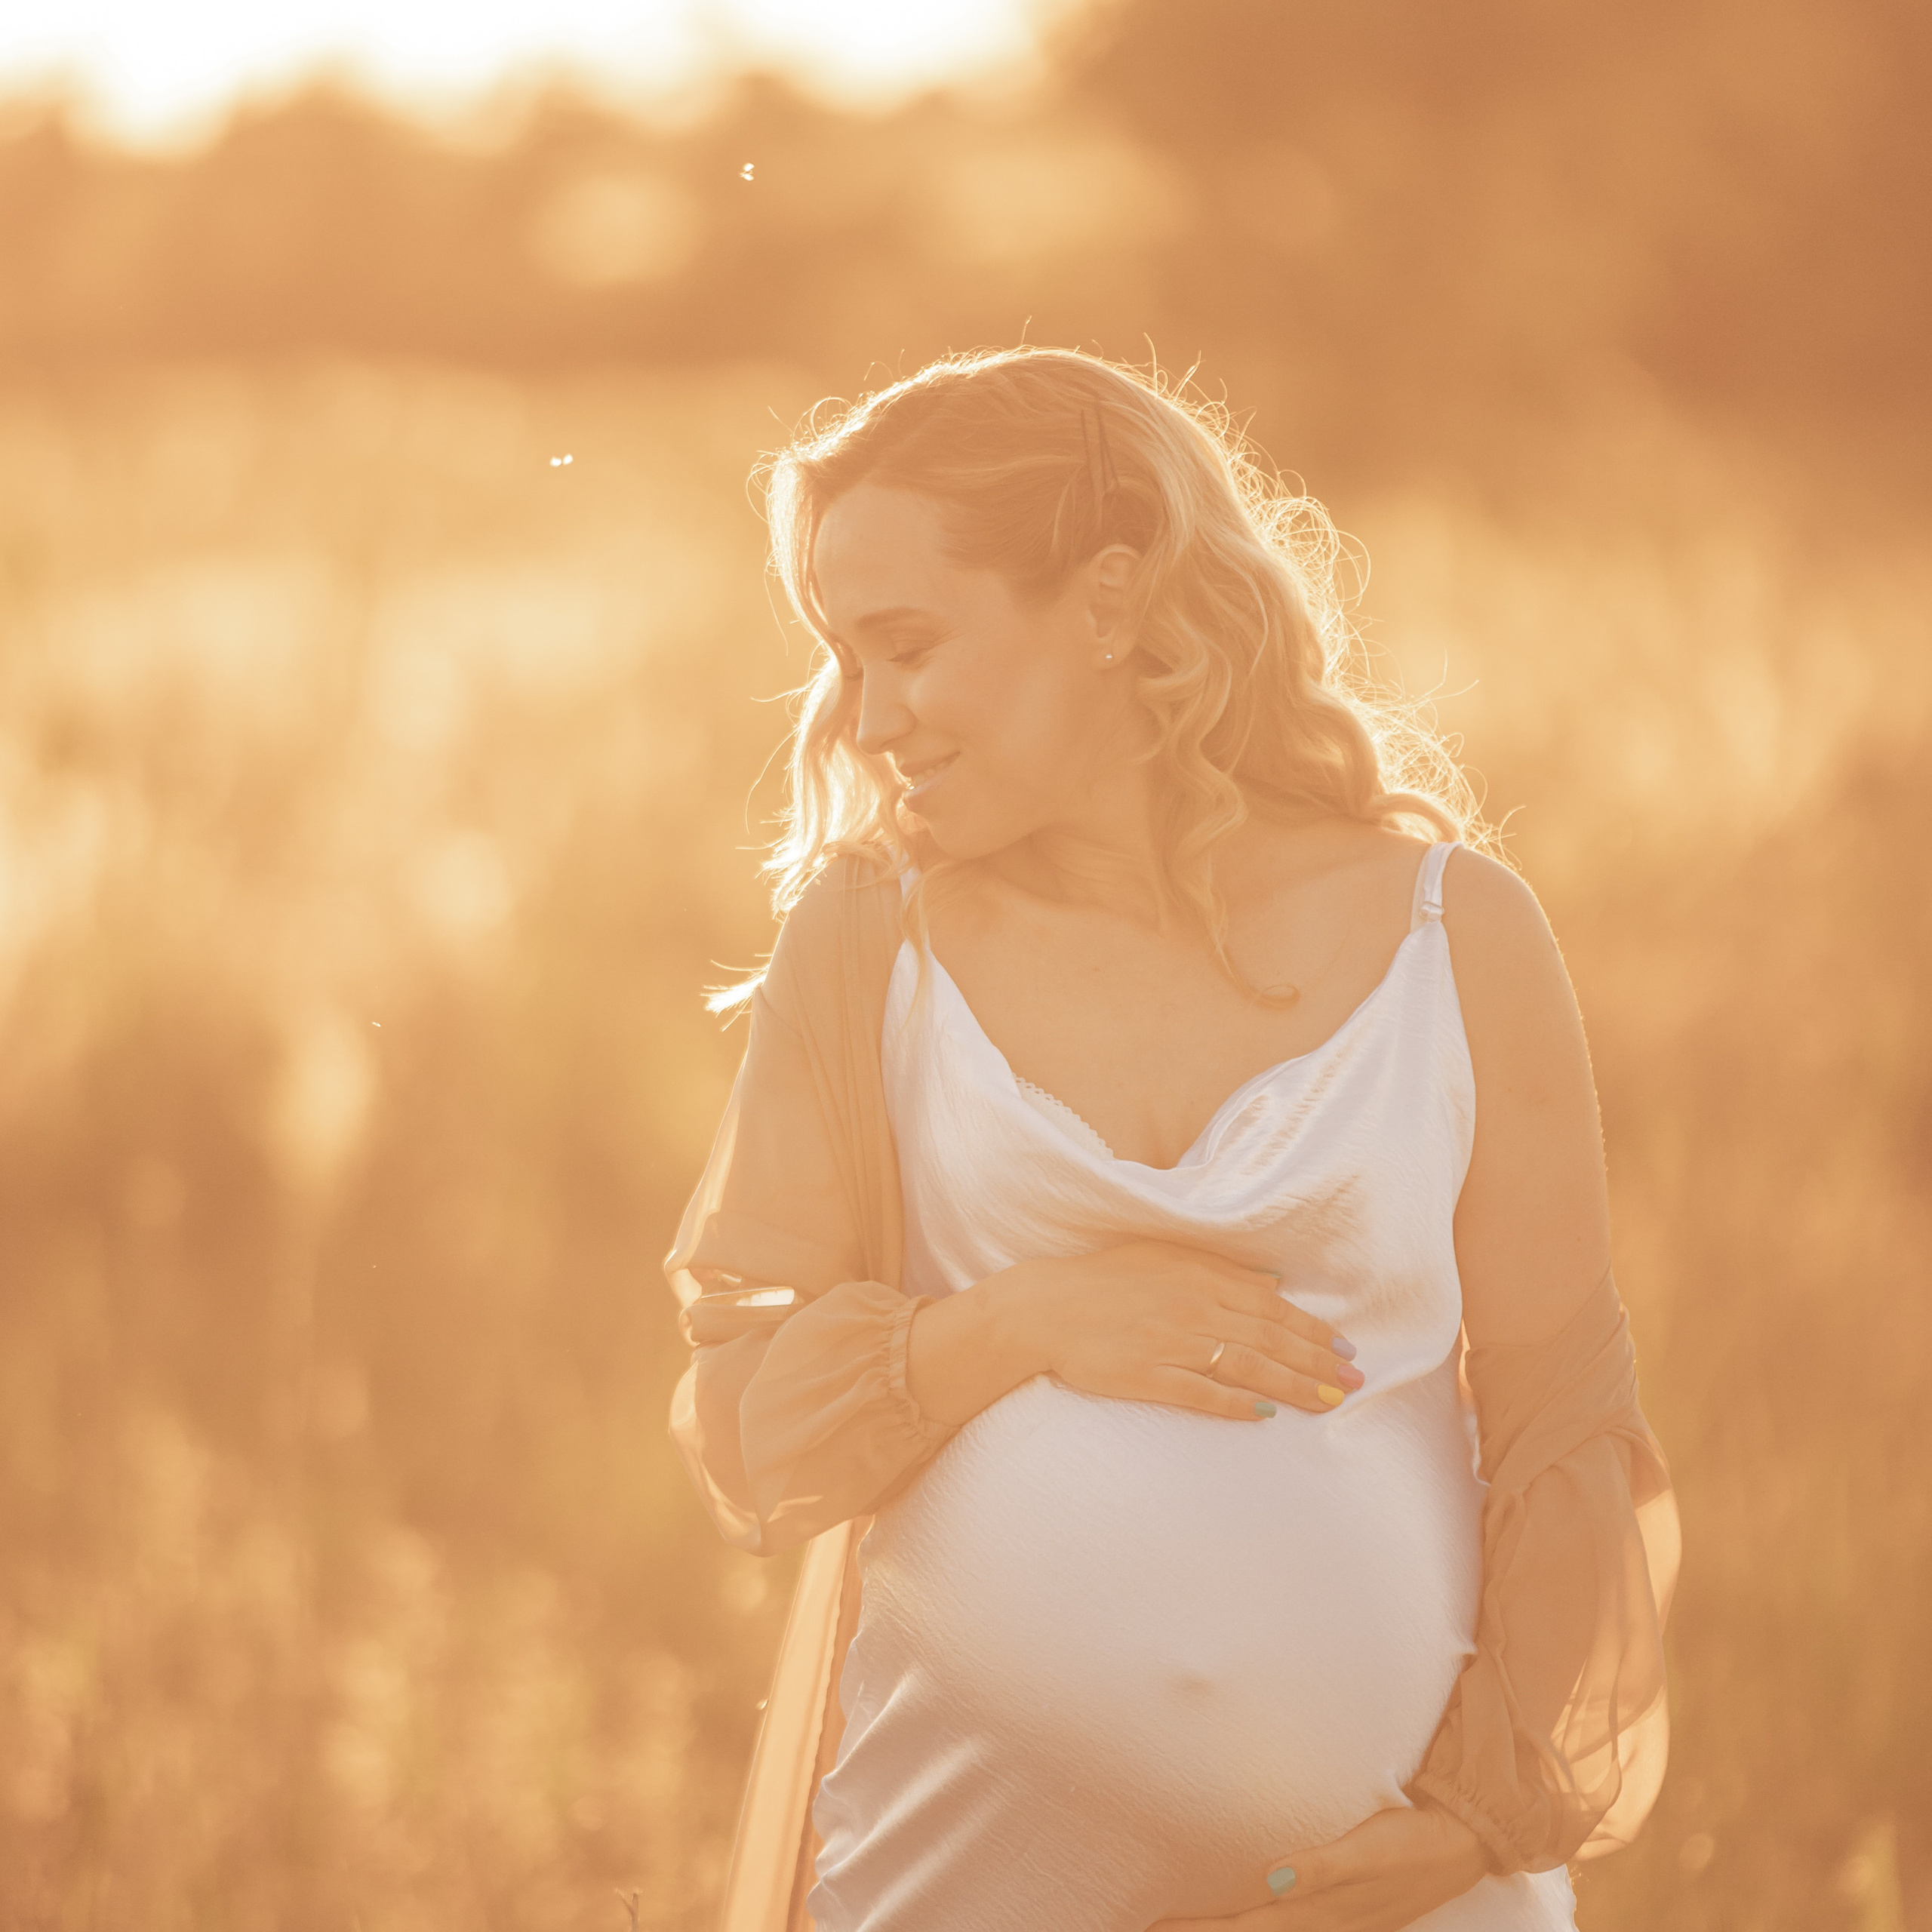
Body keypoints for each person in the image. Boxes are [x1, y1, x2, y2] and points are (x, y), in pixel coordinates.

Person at [666, 347, 1678, 1932]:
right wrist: (1015, 1324)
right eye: (840, 663)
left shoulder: (1451, 932)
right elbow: (742, 1409)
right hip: (973, 1866)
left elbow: (1565, 1414)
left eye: (906, 645)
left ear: (1111, 599)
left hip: (1401, 1888)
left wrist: (1478, 1818)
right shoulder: (866, 944)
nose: (864, 720)